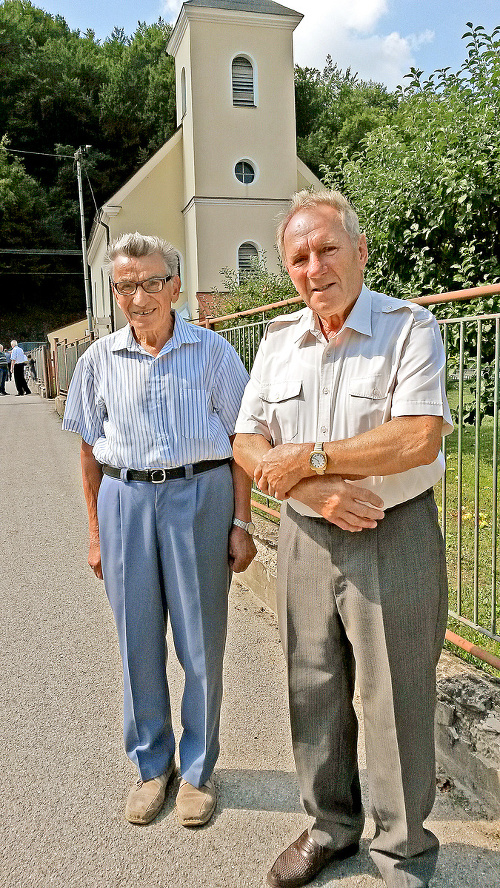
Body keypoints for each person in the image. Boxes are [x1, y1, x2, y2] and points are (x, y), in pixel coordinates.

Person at [233, 190, 453, 888]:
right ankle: (331, 827)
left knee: (395, 701)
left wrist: (314, 458)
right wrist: (308, 490)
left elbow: (418, 435)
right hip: (303, 535)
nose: (314, 266)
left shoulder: (409, 327)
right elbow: (246, 439)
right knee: (313, 686)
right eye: (298, 256)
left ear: (360, 251)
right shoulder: (277, 342)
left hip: (392, 533)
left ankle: (403, 852)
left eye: (328, 248)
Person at [63, 232, 256, 828]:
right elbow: (89, 452)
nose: (139, 295)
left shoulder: (213, 352)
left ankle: (197, 770)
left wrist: (241, 520)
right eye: (126, 285)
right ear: (114, 291)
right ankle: (153, 767)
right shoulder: (98, 360)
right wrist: (96, 531)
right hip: (125, 500)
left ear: (175, 286)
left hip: (199, 495)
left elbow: (241, 442)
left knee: (199, 642)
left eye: (151, 282)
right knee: (136, 642)